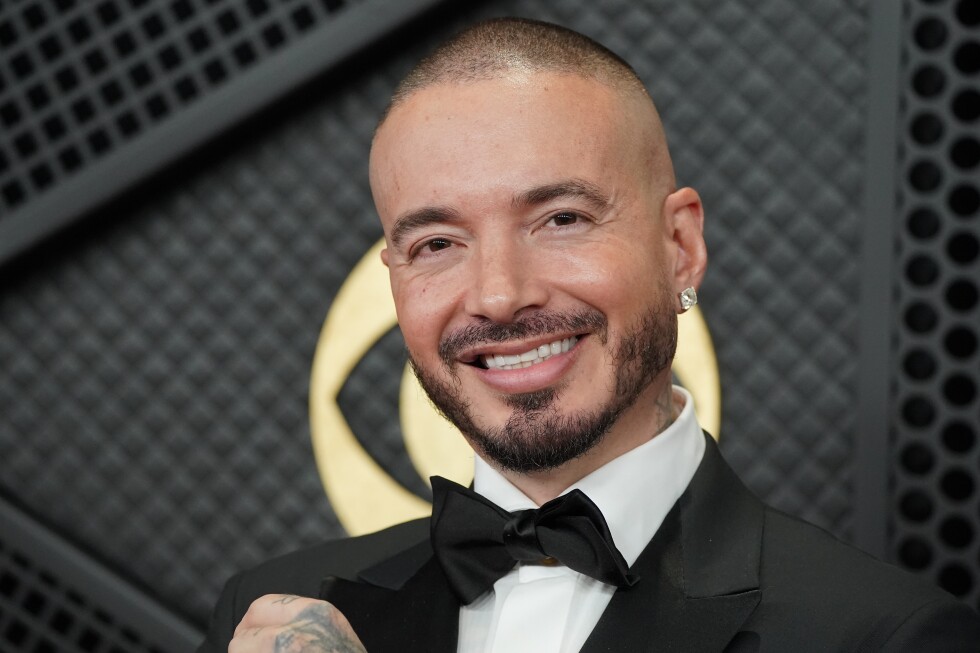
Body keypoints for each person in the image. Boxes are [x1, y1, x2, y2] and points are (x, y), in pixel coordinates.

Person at [199, 17, 980, 653]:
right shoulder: (272, 614)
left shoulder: (886, 635)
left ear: (680, 246)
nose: (499, 295)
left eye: (561, 219)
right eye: (436, 242)